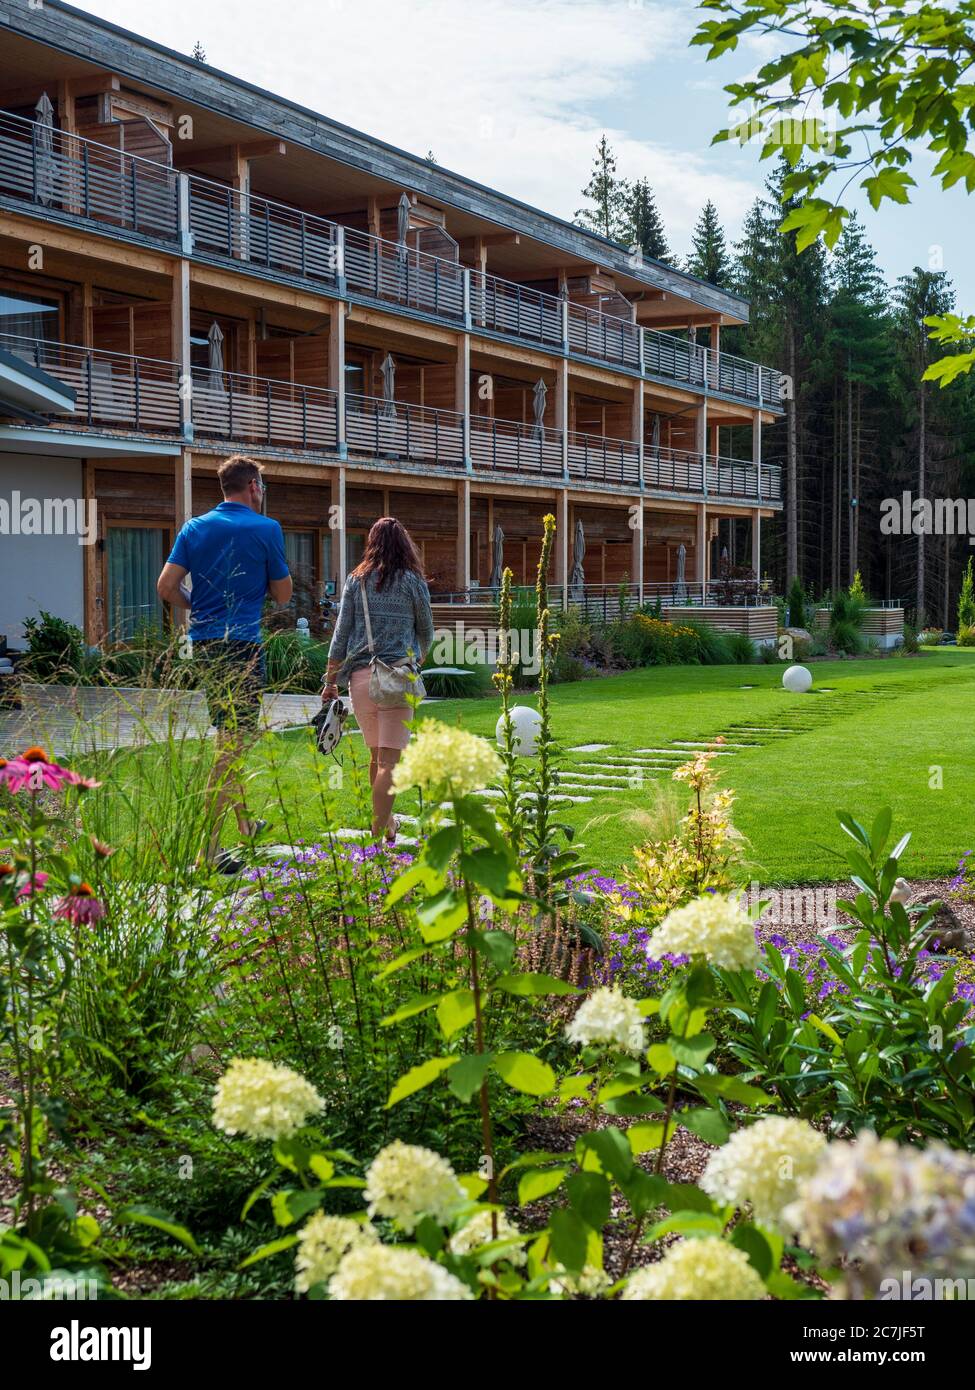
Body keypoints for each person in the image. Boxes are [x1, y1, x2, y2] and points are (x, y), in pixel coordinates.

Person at [156, 454, 293, 871]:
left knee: (227, 740)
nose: (262, 494)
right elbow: (284, 596)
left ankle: (247, 826)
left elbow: (166, 587)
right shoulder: (267, 528)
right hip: (244, 647)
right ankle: (209, 850)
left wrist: (197, 607)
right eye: (262, 487)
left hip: (206, 645)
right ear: (253, 486)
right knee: (232, 748)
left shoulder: (194, 527)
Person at [322, 517, 433, 842]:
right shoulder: (413, 582)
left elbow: (340, 634)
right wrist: (418, 657)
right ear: (405, 545)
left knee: (376, 756)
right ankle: (377, 828)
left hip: (361, 680)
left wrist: (330, 681)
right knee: (389, 762)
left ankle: (387, 824)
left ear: (371, 544)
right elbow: (426, 630)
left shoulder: (356, 581)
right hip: (397, 678)